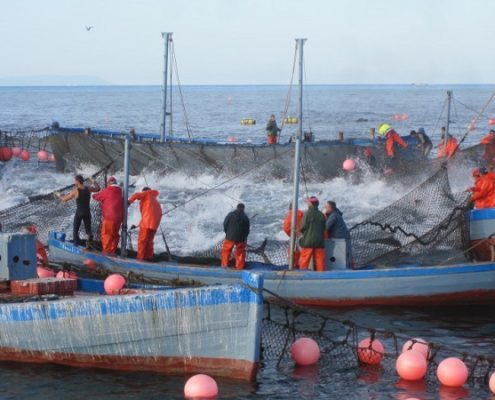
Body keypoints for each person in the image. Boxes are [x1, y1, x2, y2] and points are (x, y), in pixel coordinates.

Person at [56, 174, 100, 246]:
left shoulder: (75, 191)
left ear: (78, 181)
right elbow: (98, 188)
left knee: (75, 229)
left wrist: (59, 195)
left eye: (75, 181)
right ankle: (90, 244)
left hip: (79, 212)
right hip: (87, 212)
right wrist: (93, 180)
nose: (74, 182)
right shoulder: (88, 188)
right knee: (88, 230)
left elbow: (64, 199)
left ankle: (76, 244)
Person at [128, 187, 163, 261]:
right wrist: (138, 224)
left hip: (147, 223)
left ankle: (140, 259)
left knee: (142, 241)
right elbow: (149, 214)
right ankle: (149, 257)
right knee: (149, 241)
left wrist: (129, 202)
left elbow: (136, 195)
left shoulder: (146, 194)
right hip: (154, 224)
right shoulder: (154, 199)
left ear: (144, 191)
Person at [92, 176, 124, 254]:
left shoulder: (108, 190)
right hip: (119, 218)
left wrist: (92, 193)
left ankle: (106, 252)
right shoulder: (121, 191)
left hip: (109, 217)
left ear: (109, 183)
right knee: (115, 235)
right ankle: (112, 252)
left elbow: (96, 196)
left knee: (106, 234)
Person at [299, 196, 326, 272]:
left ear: (311, 203)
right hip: (319, 241)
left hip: (308, 241)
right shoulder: (321, 214)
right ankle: (321, 275)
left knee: (305, 260)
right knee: (320, 260)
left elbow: (303, 227)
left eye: (308, 202)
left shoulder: (306, 214)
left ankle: (302, 275)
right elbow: (324, 227)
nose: (307, 203)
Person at [221, 203, 250, 269]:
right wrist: (244, 237)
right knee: (240, 252)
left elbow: (225, 224)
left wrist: (227, 232)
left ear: (237, 208)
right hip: (241, 238)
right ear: (243, 209)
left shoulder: (230, 214)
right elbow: (247, 230)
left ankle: (224, 266)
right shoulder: (245, 217)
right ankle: (239, 267)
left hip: (230, 236)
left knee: (226, 251)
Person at [283, 202, 304, 267]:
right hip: (303, 238)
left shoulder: (290, 215)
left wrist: (291, 235)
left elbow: (286, 228)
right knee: (303, 255)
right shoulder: (303, 214)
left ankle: (294, 268)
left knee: (293, 255)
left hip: (294, 238)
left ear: (290, 208)